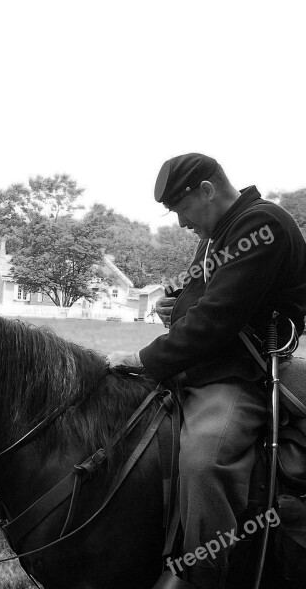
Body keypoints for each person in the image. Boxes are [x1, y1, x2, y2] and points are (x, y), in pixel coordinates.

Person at [107, 153, 306, 589]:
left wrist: (145, 359)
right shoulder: (218, 233)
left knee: (204, 462)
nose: (180, 223)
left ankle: (202, 575)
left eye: (181, 209)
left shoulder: (262, 226)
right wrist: (172, 305)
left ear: (206, 191)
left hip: (235, 375)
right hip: (196, 368)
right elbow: (200, 297)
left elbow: (218, 317)